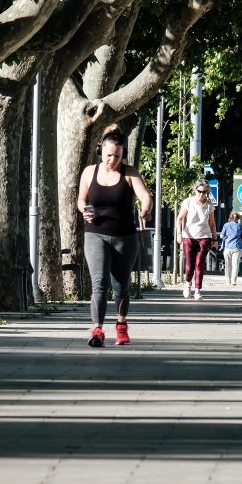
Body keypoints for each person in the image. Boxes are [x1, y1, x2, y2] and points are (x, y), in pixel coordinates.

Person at [77, 127, 153, 347]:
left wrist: (146, 209)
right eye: (109, 155)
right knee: (99, 283)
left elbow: (145, 196)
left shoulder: (129, 173)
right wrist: (84, 209)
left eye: (117, 156)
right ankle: (97, 330)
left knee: (120, 286)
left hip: (125, 236)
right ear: (101, 150)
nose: (112, 160)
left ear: (123, 154)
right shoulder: (89, 172)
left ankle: (121, 325)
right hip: (95, 234)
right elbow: (81, 199)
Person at [176, 181, 217, 300]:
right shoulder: (188, 202)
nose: (202, 194)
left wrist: (215, 239)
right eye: (199, 191)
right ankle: (188, 283)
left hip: (204, 236)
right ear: (195, 190)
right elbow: (179, 218)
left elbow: (212, 224)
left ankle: (198, 290)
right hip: (188, 236)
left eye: (205, 192)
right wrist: (179, 233)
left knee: (199, 263)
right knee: (189, 264)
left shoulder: (209, 205)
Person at [220, 212, 242, 285]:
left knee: (228, 264)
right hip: (237, 246)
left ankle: (228, 280)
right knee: (235, 265)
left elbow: (222, 235)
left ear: (230, 217)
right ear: (238, 218)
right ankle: (233, 280)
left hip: (227, 247)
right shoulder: (240, 226)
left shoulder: (226, 225)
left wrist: (226, 237)